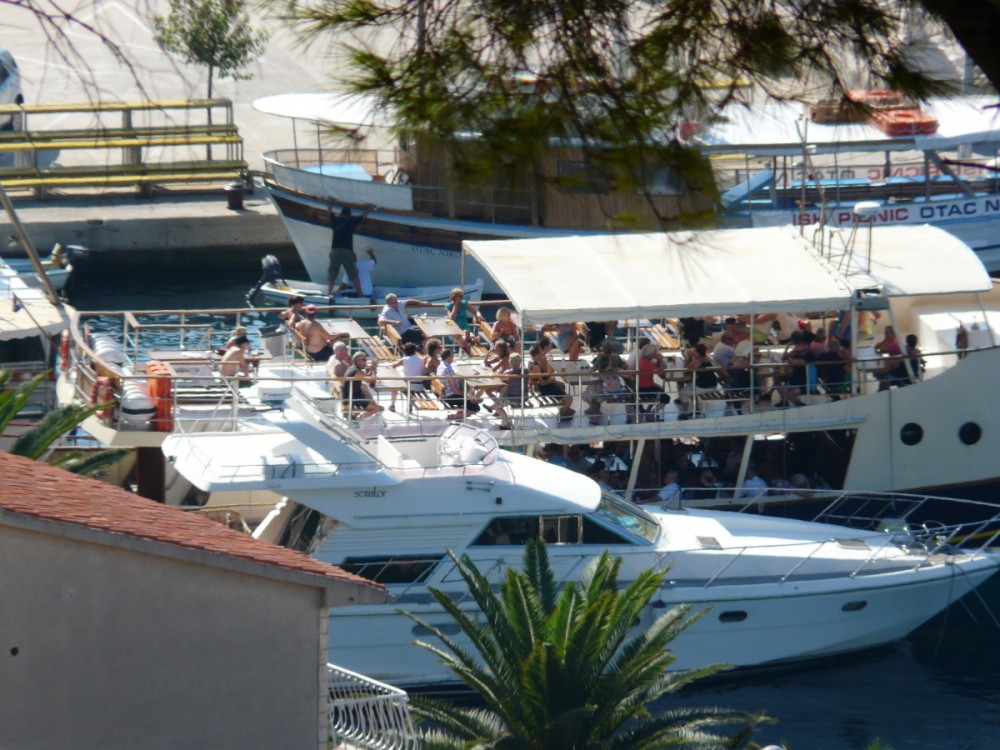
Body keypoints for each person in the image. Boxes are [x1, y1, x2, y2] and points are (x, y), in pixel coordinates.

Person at [325, 202, 372, 298]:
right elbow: (363, 217)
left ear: (341, 214)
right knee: (353, 274)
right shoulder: (352, 221)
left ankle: (329, 293)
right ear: (349, 215)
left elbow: (330, 212)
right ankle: (360, 294)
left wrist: (329, 202)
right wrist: (369, 208)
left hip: (335, 250)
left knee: (332, 273)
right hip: (347, 251)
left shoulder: (335, 220)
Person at [528, 342, 575, 419]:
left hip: (542, 386)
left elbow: (544, 377)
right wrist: (552, 381)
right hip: (544, 389)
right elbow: (542, 383)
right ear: (537, 353)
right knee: (570, 399)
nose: (542, 353)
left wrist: (545, 365)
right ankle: (562, 413)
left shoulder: (531, 362)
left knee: (561, 385)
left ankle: (563, 408)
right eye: (541, 351)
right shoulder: (536, 367)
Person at [437, 348, 481, 420]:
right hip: (451, 397)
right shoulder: (448, 369)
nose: (453, 357)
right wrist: (466, 397)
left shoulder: (441, 366)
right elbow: (454, 389)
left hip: (445, 395)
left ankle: (460, 412)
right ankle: (455, 417)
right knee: (476, 408)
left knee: (468, 390)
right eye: (452, 355)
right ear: (449, 357)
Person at [342, 351, 384, 419]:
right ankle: (358, 419)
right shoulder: (357, 372)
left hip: (350, 396)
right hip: (352, 399)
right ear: (359, 361)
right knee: (376, 408)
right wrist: (374, 368)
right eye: (365, 360)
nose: (366, 363)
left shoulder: (353, 368)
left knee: (364, 387)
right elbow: (372, 381)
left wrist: (372, 368)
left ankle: (372, 404)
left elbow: (368, 377)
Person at [446, 287, 483, 353]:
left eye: (462, 296)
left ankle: (467, 346)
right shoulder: (448, 306)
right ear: (454, 297)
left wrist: (479, 316)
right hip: (454, 329)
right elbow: (452, 318)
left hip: (464, 327)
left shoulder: (464, 303)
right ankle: (468, 347)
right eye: (460, 296)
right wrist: (455, 306)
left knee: (467, 334)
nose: (462, 298)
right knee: (467, 335)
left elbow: (475, 312)